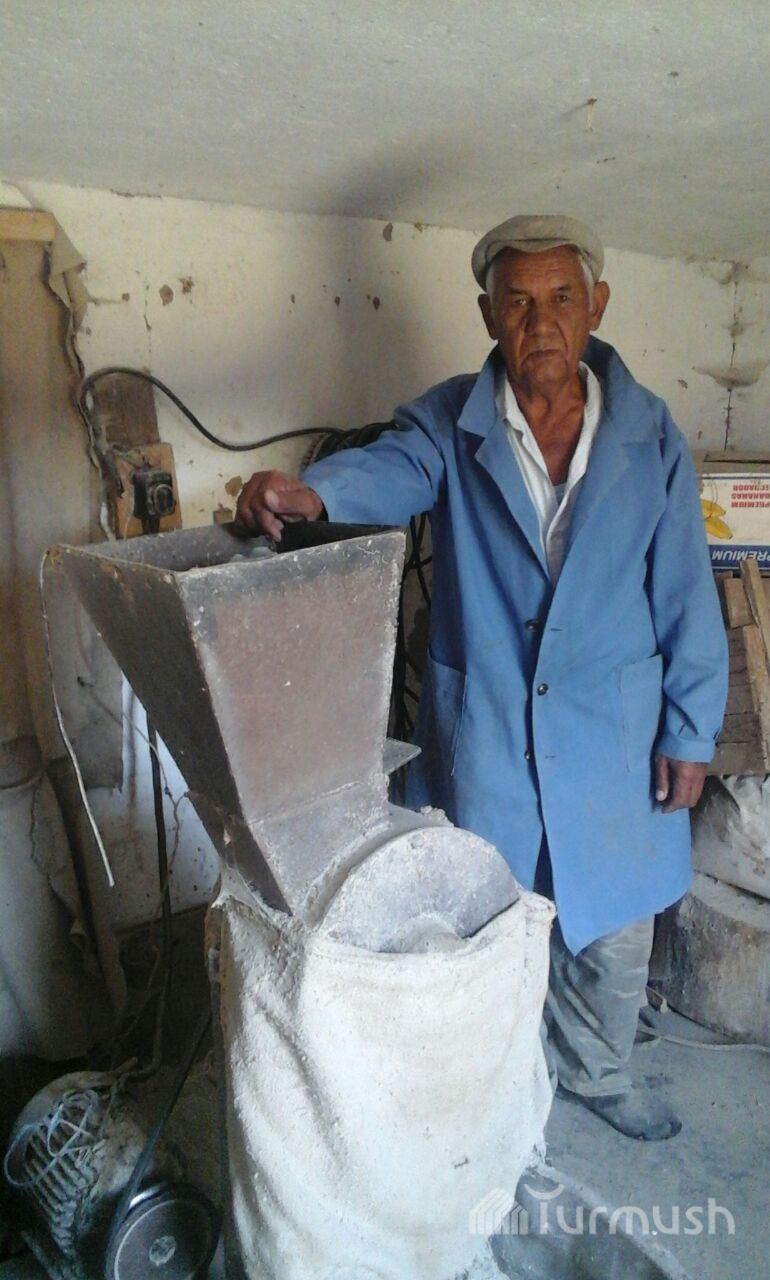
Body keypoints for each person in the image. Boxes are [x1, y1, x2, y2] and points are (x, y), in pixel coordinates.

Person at [235, 215, 728, 1141]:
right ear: (488, 315)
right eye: (518, 302)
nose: (540, 321)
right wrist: (315, 494)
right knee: (489, 922)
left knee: (614, 926)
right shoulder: (451, 421)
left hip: (612, 731)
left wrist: (691, 730)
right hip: (494, 722)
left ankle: (598, 1073)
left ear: (596, 307)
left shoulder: (650, 434)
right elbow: (393, 468)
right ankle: (499, 1088)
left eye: (561, 298)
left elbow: (686, 594)